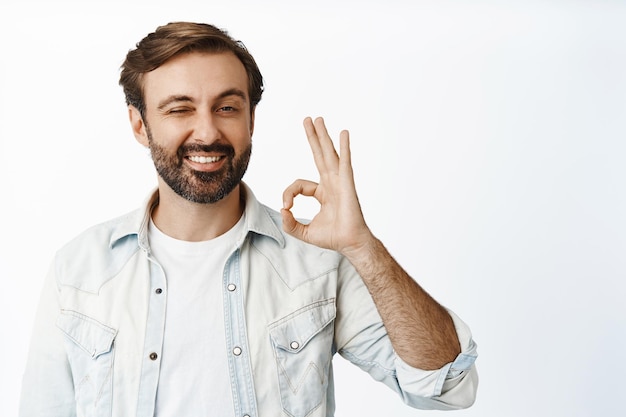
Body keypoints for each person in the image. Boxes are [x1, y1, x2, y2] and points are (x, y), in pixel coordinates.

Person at [19, 22, 478, 417]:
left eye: (227, 107)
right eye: (180, 108)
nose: (207, 132)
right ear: (140, 125)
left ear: (251, 119)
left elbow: (447, 386)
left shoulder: (315, 261)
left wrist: (363, 248)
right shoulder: (78, 271)